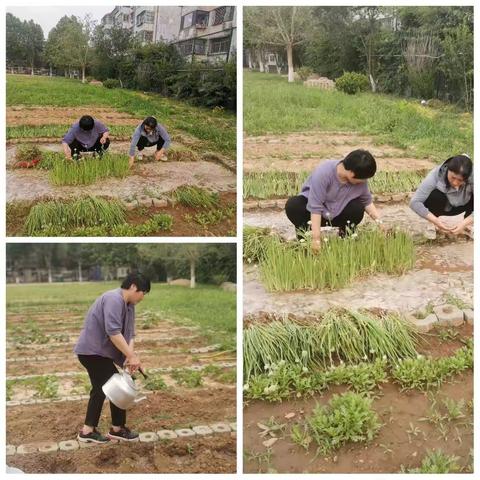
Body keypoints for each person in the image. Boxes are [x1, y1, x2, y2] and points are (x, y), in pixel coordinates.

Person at [73, 273, 151, 444]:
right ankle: (116, 429)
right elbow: (113, 331)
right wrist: (131, 356)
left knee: (101, 389)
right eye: (143, 292)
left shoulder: (129, 305)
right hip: (92, 352)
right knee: (117, 386)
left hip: (100, 354)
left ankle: (89, 430)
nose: (143, 297)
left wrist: (129, 359)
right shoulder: (113, 299)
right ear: (133, 287)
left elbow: (129, 334)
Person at [285, 149, 384, 250]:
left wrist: (381, 224)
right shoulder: (324, 173)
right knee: (294, 206)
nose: (364, 181)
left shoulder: (360, 180)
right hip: (313, 214)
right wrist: (316, 239)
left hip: (338, 213)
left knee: (357, 208)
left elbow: (367, 202)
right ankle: (304, 241)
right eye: (363, 179)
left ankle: (346, 238)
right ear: (351, 173)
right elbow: (315, 207)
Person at [410, 154, 473, 235]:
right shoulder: (435, 175)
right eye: (453, 177)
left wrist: (464, 223)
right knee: (435, 195)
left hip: (463, 204)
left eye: (460, 180)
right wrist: (435, 221)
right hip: (443, 207)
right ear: (448, 169)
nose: (455, 183)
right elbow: (414, 202)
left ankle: (470, 224)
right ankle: (432, 223)